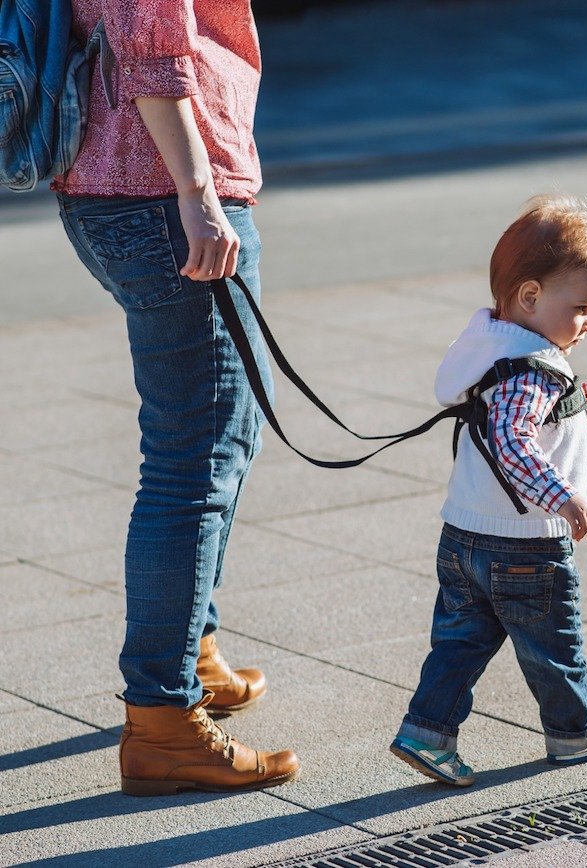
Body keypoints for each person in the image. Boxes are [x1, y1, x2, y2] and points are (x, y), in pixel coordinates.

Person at [53, 1, 298, 795]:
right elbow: (149, 46)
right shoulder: (180, 192)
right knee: (193, 462)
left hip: (129, 185)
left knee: (220, 440)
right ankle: (162, 721)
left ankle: (191, 650)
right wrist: (197, 190)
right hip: (165, 192)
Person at [391, 194, 587, 786]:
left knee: (460, 642)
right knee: (554, 646)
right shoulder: (531, 368)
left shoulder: (493, 347)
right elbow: (514, 442)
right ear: (530, 296)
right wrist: (562, 496)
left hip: (465, 534)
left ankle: (427, 732)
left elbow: (534, 427)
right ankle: (575, 735)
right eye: (579, 307)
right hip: (525, 544)